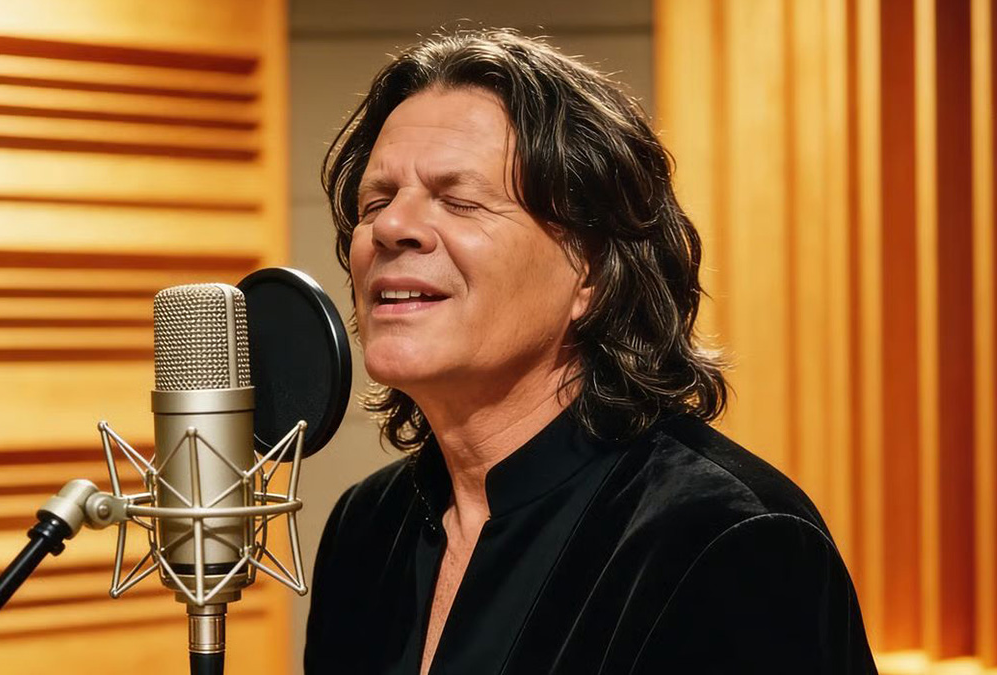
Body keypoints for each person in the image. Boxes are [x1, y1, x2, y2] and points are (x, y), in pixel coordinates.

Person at [304, 29, 876, 675]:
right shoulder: (366, 526)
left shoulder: (728, 538)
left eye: (459, 201)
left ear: (593, 270)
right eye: (376, 201)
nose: (390, 227)